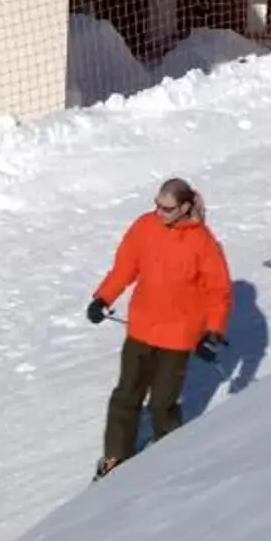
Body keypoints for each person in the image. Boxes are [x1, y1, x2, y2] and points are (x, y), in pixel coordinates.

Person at [85, 177, 232, 478]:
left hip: (177, 337)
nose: (159, 212)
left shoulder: (202, 242)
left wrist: (213, 331)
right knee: (126, 395)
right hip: (141, 328)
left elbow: (217, 290)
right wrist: (103, 297)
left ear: (185, 207)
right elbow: (125, 267)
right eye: (157, 205)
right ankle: (115, 456)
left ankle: (170, 456)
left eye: (167, 208)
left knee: (163, 403)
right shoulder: (145, 226)